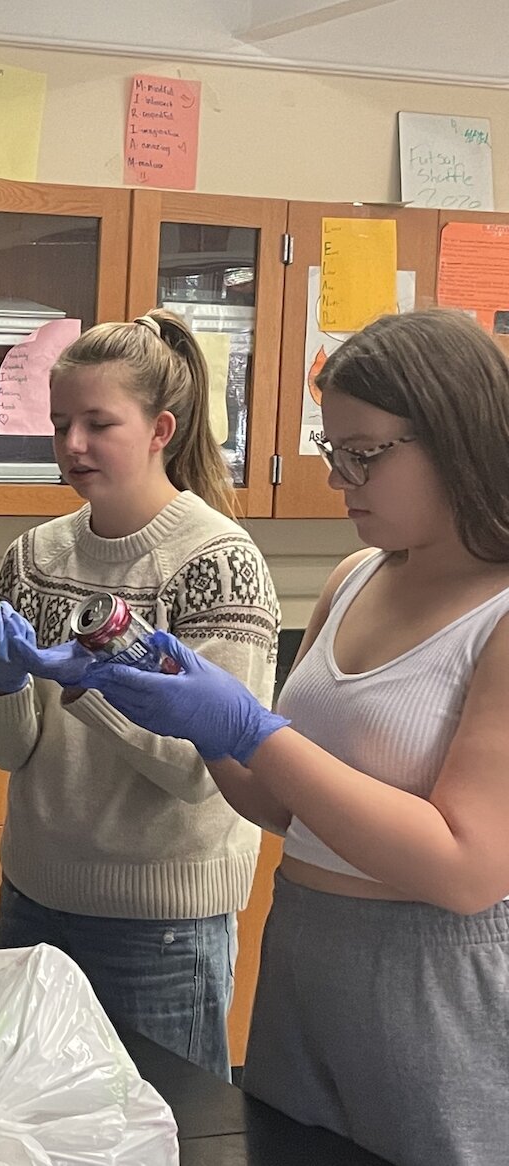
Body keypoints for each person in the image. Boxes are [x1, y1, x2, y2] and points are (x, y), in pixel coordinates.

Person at [73, 309, 509, 1166]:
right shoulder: (355, 579)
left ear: (459, 437)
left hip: (432, 976)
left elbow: (466, 867)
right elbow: (282, 805)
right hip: (305, 943)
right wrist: (199, 724)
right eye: (330, 449)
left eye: (366, 453)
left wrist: (250, 726)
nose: (342, 477)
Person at [0, 310, 281, 1078]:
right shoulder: (37, 554)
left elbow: (204, 770)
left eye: (99, 423)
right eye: (61, 422)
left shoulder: (218, 562)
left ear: (161, 428)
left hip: (160, 928)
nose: (71, 446)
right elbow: (11, 753)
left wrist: (82, 681)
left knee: (160, 1137)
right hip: (33, 897)